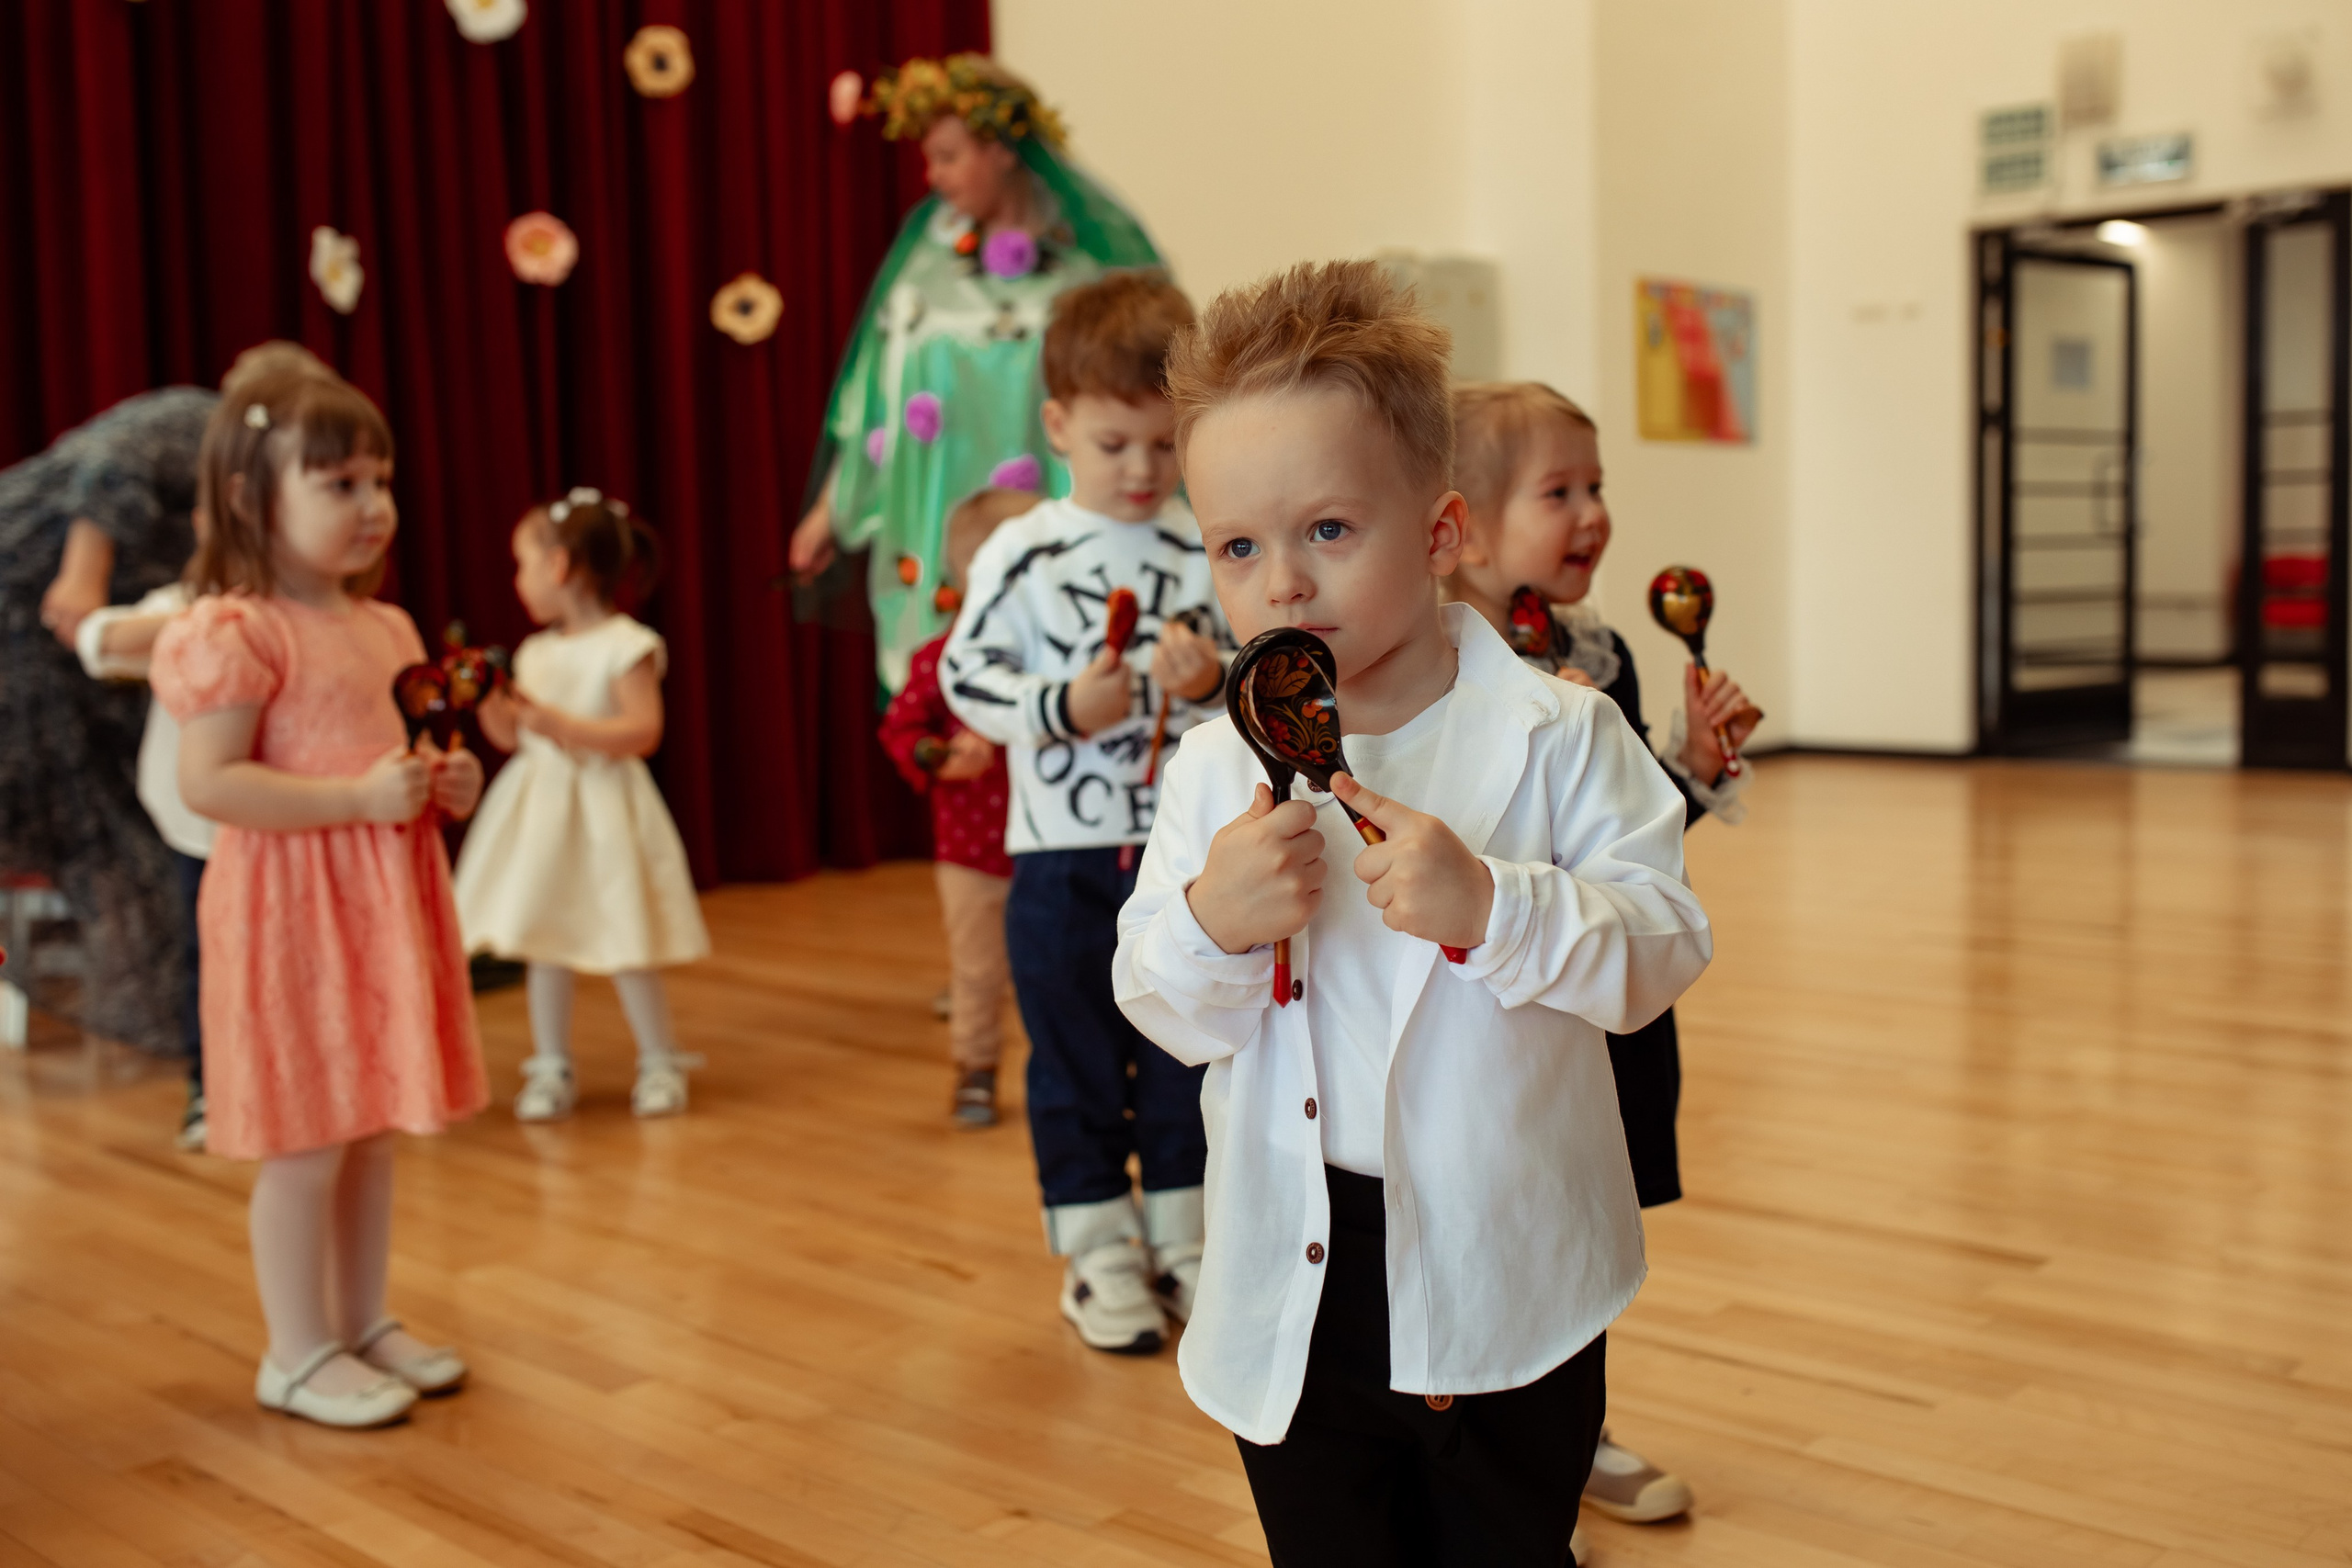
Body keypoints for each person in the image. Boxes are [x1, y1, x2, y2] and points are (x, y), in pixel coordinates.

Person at [1114, 261, 1713, 1566]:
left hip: (1511, 1260)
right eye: (1237, 545)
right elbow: (1158, 999)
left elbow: (1661, 945)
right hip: (1298, 1260)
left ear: (1440, 533)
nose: (1280, 582)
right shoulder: (1218, 766)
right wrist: (1214, 918)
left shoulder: (1564, 734)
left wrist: (1494, 902)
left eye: (1328, 530)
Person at [1445, 380, 1761, 1529]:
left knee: (1580, 1218)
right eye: (1557, 491)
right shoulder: (1431, 666)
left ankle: (1573, 1434)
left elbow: (1632, 858)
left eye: (1597, 488)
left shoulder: (1602, 650)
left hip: (1597, 991)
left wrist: (1691, 764)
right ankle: (1479, 1444)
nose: (1590, 513)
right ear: (1460, 524)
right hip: (1495, 1011)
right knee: (1488, 1213)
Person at [152, 366, 487, 1430]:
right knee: (308, 1139)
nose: (372, 504)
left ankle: (360, 1318)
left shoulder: (385, 627)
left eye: (378, 478)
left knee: (371, 1124)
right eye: (337, 482)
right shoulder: (236, 631)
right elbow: (209, 783)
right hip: (291, 914)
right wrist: (354, 795)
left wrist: (436, 787)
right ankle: (293, 1352)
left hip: (377, 902)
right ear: (255, 499)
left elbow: (388, 755)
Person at [942, 270, 1231, 1355]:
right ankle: (1096, 1249)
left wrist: (1207, 680)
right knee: (1070, 1057)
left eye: (1164, 446)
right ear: (1059, 424)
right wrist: (1063, 706)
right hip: (1059, 860)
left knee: (1179, 1048)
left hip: (1179, 857)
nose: (1143, 470)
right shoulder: (1024, 548)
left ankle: (1184, 1236)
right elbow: (964, 680)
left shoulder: (1202, 544)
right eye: (1115, 445)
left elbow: (1253, 679)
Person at [786, 53, 1162, 695]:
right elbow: (874, 389)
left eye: (950, 155)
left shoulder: (1082, 265)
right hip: (937, 527)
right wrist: (831, 507)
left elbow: (1141, 389)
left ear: (1003, 149)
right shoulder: (925, 259)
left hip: (1053, 522)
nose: (936, 176)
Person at [62, 342, 337, 1146]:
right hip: (205, 828)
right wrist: (195, 626)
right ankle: (207, 1086)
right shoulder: (197, 598)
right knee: (207, 953)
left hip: (300, 827)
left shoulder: (325, 609)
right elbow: (102, 637)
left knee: (300, 961)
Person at [454, 488, 710, 1122]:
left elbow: (641, 731)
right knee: (546, 938)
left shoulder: (628, 644)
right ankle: (550, 1064)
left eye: (524, 563)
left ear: (561, 566)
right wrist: (493, 702)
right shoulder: (537, 651)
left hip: (603, 812)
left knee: (625, 934)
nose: (519, 579)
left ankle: (658, 1058)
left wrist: (556, 722)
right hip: (542, 812)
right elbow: (512, 736)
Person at [876, 485, 1038, 1128]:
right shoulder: (940, 659)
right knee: (977, 972)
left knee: (1056, 972)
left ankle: (1072, 1070)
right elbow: (901, 730)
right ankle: (975, 1069)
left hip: (1045, 850)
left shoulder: (1056, 662)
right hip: (970, 853)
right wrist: (939, 756)